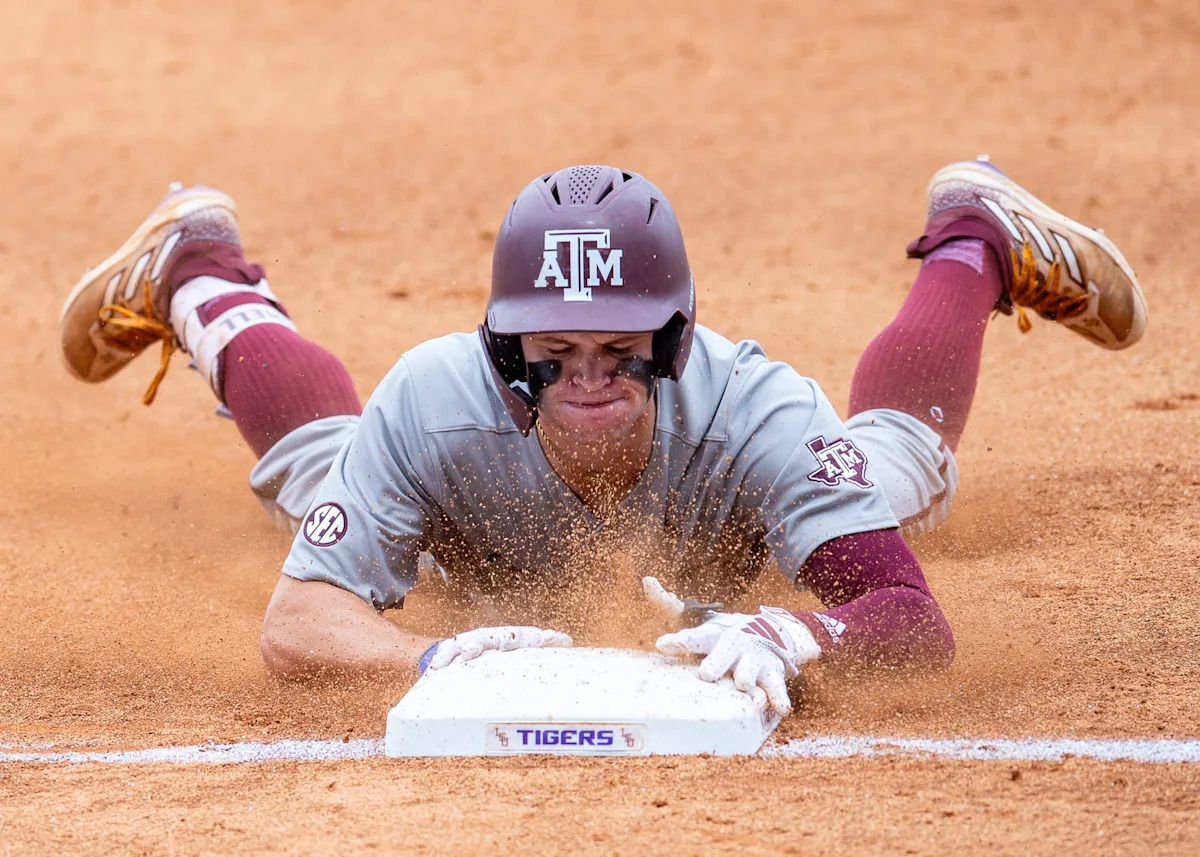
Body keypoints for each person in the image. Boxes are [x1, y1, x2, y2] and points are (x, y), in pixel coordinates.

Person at [58, 158, 1146, 715]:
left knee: (902, 469)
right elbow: (296, 624)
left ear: (675, 338)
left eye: (620, 353)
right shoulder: (438, 396)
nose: (586, 380)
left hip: (747, 544)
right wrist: (423, 656)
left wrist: (799, 635)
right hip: (458, 547)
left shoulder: (755, 411)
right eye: (553, 352)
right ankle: (198, 269)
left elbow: (913, 619)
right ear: (502, 347)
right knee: (316, 468)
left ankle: (975, 236)